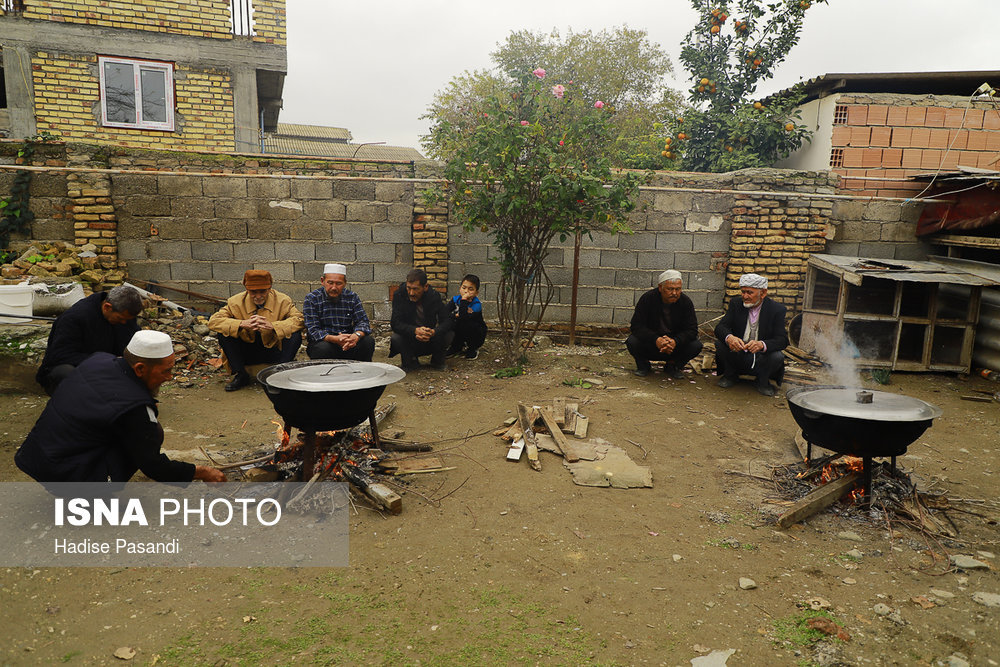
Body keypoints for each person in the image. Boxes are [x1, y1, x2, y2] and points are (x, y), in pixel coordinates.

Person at [15, 330, 226, 483]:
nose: (170, 377)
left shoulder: (98, 361)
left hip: (37, 459)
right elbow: (155, 467)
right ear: (141, 368)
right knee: (151, 433)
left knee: (141, 432)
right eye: (165, 371)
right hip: (66, 476)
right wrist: (201, 472)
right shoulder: (135, 407)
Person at [35, 284, 144, 396]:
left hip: (110, 368)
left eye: (127, 320)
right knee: (65, 372)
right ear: (107, 307)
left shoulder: (124, 316)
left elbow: (133, 343)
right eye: (120, 319)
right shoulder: (75, 317)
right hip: (77, 368)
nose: (124, 323)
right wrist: (106, 361)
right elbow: (60, 356)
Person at [208, 269, 304, 391]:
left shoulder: (283, 300)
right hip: (247, 351)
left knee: (294, 333)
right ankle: (241, 375)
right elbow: (214, 321)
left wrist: (274, 326)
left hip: (273, 350)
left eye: (263, 291)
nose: (258, 296)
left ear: (270, 289)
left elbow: (299, 319)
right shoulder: (235, 302)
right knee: (224, 333)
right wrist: (241, 324)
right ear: (246, 289)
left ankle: (280, 373)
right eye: (253, 292)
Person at [714, 273, 788, 397]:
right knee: (721, 345)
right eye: (743, 292)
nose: (745, 296)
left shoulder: (776, 309)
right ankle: (730, 376)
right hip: (739, 352)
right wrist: (730, 338)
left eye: (749, 292)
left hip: (760, 357)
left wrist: (762, 344)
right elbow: (721, 327)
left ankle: (762, 382)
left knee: (777, 356)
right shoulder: (736, 304)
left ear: (763, 293)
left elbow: (782, 340)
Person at [626, 269, 704, 378]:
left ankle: (673, 366)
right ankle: (643, 366)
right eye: (670, 289)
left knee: (696, 345)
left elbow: (692, 330)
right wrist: (656, 339)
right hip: (652, 343)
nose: (674, 293)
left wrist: (675, 341)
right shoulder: (648, 299)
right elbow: (637, 326)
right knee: (632, 341)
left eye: (678, 289)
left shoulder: (685, 302)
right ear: (660, 288)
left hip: (673, 346)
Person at [302, 263, 374, 362]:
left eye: (338, 283)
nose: (334, 287)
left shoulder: (352, 297)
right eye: (330, 283)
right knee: (322, 348)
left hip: (348, 342)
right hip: (325, 343)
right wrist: (334, 339)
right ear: (322, 281)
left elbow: (363, 322)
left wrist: (355, 336)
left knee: (368, 341)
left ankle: (361, 373)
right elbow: (313, 330)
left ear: (345, 283)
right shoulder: (312, 298)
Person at [389, 268, 454, 371]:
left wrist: (433, 332)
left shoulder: (433, 296)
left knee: (448, 334)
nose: (411, 293)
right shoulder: (399, 295)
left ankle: (437, 360)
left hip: (429, 338)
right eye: (408, 288)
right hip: (410, 339)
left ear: (425, 287)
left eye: (415, 289)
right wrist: (414, 330)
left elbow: (447, 320)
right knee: (396, 338)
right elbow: (395, 323)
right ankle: (410, 360)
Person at [446, 274, 488, 360]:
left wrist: (464, 300)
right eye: (464, 288)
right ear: (460, 288)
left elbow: (464, 318)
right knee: (451, 322)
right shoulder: (455, 300)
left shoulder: (476, 305)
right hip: (461, 329)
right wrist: (454, 315)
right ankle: (456, 347)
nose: (466, 291)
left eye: (470, 289)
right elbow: (444, 313)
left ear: (476, 293)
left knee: (467, 324)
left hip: (475, 333)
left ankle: (473, 348)